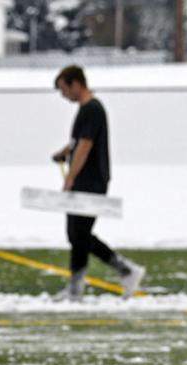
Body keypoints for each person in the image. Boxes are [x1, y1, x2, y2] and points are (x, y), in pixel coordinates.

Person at [50, 65, 145, 300]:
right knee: (76, 233)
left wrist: (70, 177)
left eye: (64, 89)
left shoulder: (92, 109)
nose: (63, 96)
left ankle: (126, 270)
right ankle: (76, 287)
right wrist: (64, 153)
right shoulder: (85, 110)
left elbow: (85, 145)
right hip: (85, 179)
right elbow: (77, 143)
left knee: (80, 233)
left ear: (76, 84)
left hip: (91, 181)